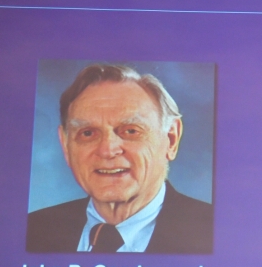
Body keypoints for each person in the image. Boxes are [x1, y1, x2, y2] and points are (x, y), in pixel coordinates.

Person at [26, 64, 213, 253]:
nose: (107, 150)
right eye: (88, 133)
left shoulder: (213, 230)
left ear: (171, 139)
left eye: (131, 131)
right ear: (66, 145)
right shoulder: (33, 231)